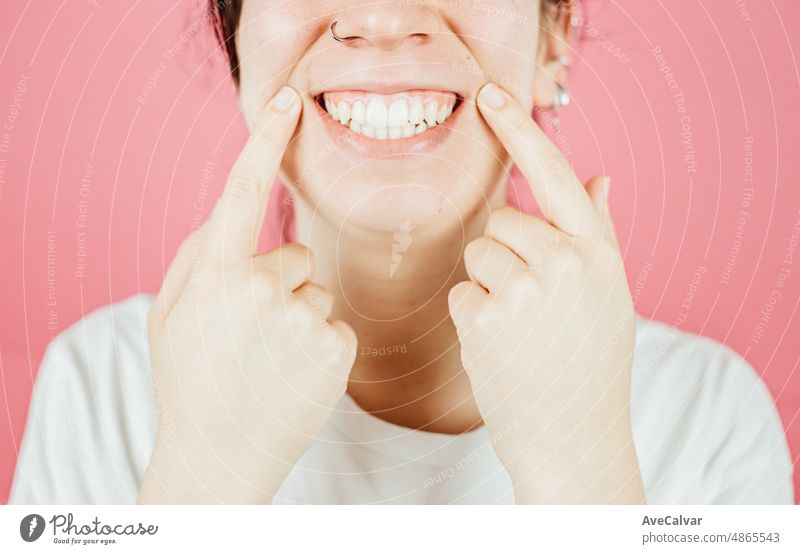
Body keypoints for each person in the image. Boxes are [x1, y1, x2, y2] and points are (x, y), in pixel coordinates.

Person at [10, 0, 793, 504]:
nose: (382, 18)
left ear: (553, 39)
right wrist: (204, 475)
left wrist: (580, 465)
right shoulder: (103, 385)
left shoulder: (709, 414)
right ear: (237, 39)